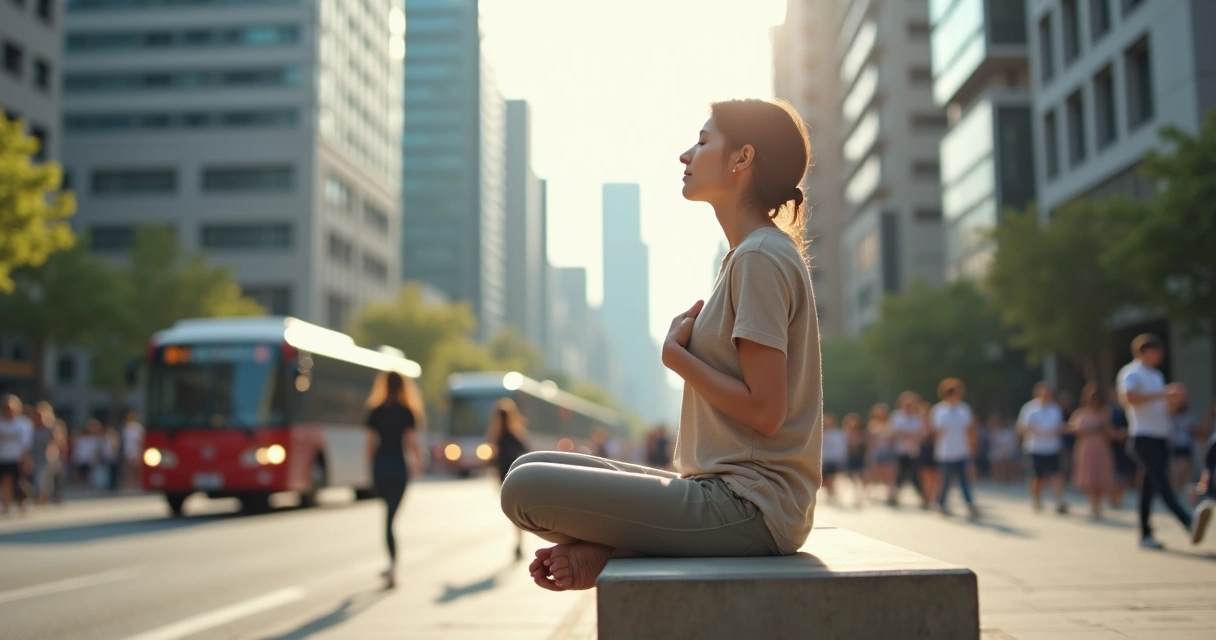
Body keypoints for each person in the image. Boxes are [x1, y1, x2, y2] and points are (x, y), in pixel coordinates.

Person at [500, 99, 821, 592]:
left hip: (751, 508)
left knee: (524, 489)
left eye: (703, 140)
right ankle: (615, 548)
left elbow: (767, 411)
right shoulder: (748, 256)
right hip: (719, 494)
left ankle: (612, 551)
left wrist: (678, 359)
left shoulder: (759, 256)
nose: (685, 155)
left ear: (742, 159)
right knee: (528, 466)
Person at [1116, 334, 1204, 548]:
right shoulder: (1131, 372)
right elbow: (1128, 398)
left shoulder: (1156, 376)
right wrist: (1163, 394)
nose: (1161, 356)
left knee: (1149, 487)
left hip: (1161, 437)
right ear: (1145, 351)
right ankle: (1188, 521)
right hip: (1143, 437)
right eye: (1157, 351)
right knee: (1162, 483)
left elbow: (1164, 409)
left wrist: (1175, 400)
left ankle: (1145, 535)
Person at [364, 370, 425, 588]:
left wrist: (369, 469)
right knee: (391, 519)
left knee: (388, 519)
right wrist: (418, 464)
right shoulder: (407, 411)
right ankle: (392, 566)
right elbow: (410, 441)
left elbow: (370, 443)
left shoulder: (376, 410)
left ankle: (391, 565)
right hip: (399, 468)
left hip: (381, 468)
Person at [486, 398, 531, 560]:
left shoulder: (498, 435)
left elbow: (494, 460)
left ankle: (519, 541)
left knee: (513, 512)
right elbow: (527, 453)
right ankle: (519, 541)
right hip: (515, 475)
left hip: (506, 476)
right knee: (516, 511)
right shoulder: (516, 433)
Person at [1017, 382, 1068, 514]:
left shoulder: (1055, 409)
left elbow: (1060, 426)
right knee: (1036, 476)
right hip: (1035, 448)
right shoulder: (1029, 408)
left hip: (1052, 447)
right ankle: (1036, 499)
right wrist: (1033, 430)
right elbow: (1021, 428)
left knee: (1056, 475)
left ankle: (1059, 501)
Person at [932, 379, 978, 519]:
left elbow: (969, 429)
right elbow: (937, 431)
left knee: (964, 480)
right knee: (945, 480)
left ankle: (970, 505)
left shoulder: (964, 409)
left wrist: (972, 446)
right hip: (945, 452)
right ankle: (940, 503)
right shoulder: (939, 410)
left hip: (962, 451)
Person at [1069, 383, 1116, 519]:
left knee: (1101, 476)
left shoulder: (1104, 413)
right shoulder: (1080, 413)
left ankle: (1098, 503)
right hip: (1086, 448)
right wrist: (1094, 429)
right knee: (1089, 476)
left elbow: (1109, 431)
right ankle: (1093, 503)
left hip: (1101, 447)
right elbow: (1075, 430)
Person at [890, 392, 926, 507]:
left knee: (916, 475)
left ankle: (923, 498)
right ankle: (894, 496)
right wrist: (910, 435)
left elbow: (921, 433)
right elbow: (896, 432)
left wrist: (909, 435)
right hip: (901, 450)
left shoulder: (917, 417)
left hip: (914, 451)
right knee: (899, 475)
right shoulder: (897, 416)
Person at [1, 395, 34, 515]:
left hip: (18, 458)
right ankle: (6, 505)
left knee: (19, 483)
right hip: (3, 457)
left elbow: (27, 443)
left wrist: (26, 459)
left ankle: (22, 503)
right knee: (5, 482)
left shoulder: (23, 424)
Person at [1169, 390, 1198, 494]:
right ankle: (1175, 491)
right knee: (1178, 470)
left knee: (1186, 470)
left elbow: (1195, 430)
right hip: (1175, 445)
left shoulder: (1190, 416)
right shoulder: (1171, 415)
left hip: (1187, 445)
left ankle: (1182, 492)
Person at [867, 404, 897, 505]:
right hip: (877, 451)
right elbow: (871, 441)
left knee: (889, 474)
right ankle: (871, 493)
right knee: (875, 473)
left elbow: (892, 438)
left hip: (887, 451)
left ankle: (891, 495)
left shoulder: (889, 424)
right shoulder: (872, 424)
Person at [821, 414, 847, 503]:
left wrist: (842, 458)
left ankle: (832, 494)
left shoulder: (838, 434)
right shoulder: (821, 433)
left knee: (832, 478)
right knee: (827, 478)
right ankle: (831, 493)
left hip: (834, 459)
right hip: (825, 459)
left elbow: (842, 447)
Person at [843, 413, 867, 507]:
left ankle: (860, 495)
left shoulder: (861, 434)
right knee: (852, 477)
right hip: (850, 458)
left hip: (859, 458)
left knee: (861, 477)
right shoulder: (845, 434)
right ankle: (856, 494)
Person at [122, 411, 145, 489]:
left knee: (136, 469)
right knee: (128, 469)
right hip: (128, 451)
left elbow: (140, 440)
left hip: (136, 451)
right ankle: (129, 483)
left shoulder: (138, 428)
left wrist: (139, 452)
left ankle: (137, 483)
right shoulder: (126, 428)